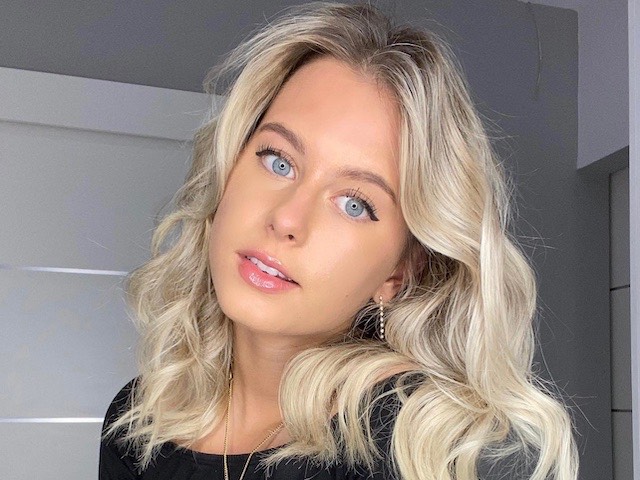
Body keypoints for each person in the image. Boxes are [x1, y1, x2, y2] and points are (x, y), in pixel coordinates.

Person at [99, 3, 579, 479]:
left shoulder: (412, 449)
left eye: (354, 203)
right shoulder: (139, 420)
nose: (287, 219)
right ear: (228, 166)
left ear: (400, 271)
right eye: (279, 161)